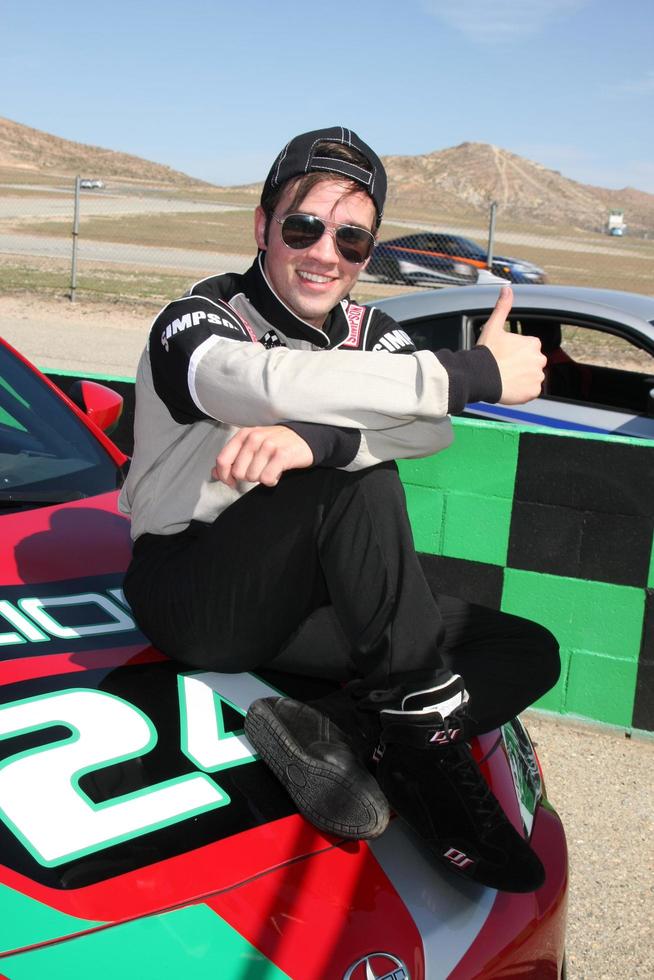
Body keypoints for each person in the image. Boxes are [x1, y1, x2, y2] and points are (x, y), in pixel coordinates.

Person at [120, 126, 559, 894]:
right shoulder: (195, 318)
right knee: (356, 478)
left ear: (369, 250)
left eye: (352, 239)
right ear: (261, 227)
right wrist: (473, 371)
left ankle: (359, 738)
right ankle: (431, 776)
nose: (326, 253)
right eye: (303, 227)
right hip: (191, 589)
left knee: (526, 650)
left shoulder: (372, 333)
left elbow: (426, 429)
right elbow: (256, 383)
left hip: (299, 600)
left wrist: (314, 442)